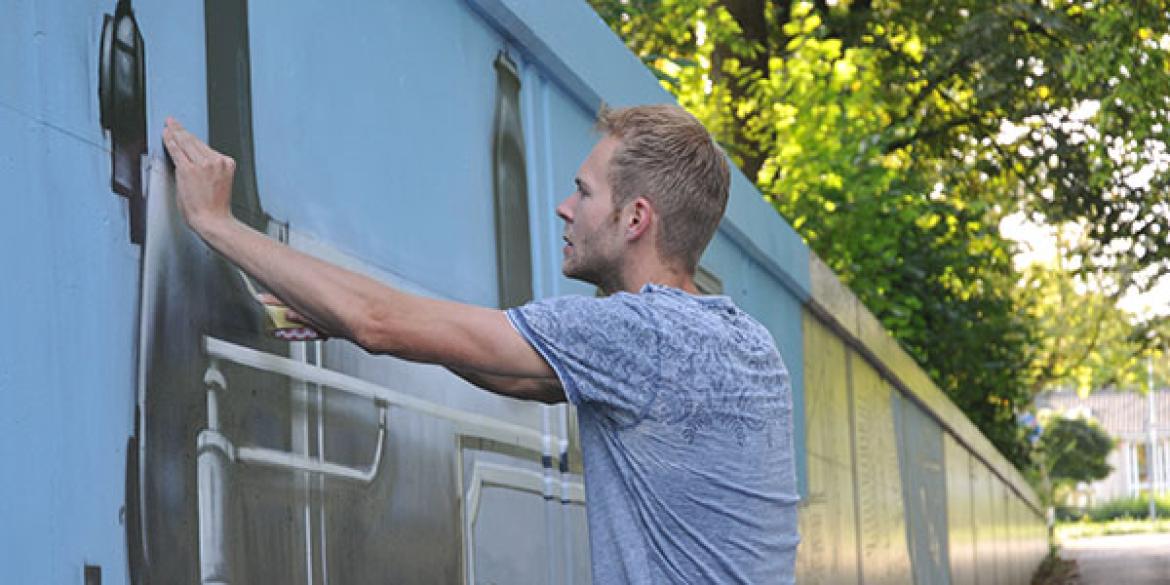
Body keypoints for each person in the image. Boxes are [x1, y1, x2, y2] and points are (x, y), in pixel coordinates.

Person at [163, 104, 799, 583]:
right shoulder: (745, 343)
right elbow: (524, 377)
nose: (562, 207)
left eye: (583, 192)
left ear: (635, 219)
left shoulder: (636, 334)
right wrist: (344, 319)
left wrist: (215, 221)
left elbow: (379, 322)